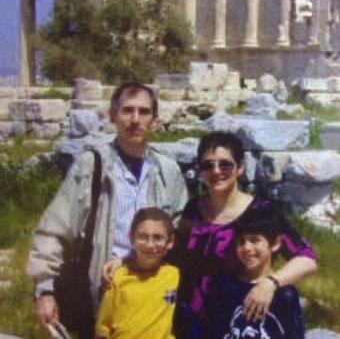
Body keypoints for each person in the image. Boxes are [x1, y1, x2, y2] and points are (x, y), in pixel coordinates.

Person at [27, 82, 188, 338]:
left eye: (144, 112)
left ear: (155, 120)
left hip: (151, 295)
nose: (135, 120)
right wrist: (45, 290)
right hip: (103, 290)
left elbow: (177, 231)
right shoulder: (91, 166)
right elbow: (55, 229)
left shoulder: (168, 170)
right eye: (127, 110)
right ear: (113, 116)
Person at [172, 131, 317, 338]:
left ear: (240, 167)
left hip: (237, 321)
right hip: (192, 323)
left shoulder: (262, 211)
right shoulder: (193, 208)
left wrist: (271, 283)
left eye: (225, 164)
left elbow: (307, 259)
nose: (216, 171)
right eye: (208, 165)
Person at [201, 206, 306, 339]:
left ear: (275, 243)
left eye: (255, 240)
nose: (247, 248)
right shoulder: (224, 285)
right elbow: (211, 332)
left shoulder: (286, 295)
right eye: (241, 241)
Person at [95, 207, 179, 339]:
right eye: (143, 237)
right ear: (131, 239)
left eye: (158, 238)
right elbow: (103, 328)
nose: (150, 245)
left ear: (170, 242)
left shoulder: (174, 276)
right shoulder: (118, 278)